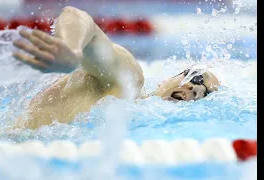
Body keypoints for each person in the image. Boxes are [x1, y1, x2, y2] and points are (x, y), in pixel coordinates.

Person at [12, 6, 220, 129]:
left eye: (205, 94)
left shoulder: (130, 96)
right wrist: (70, 49)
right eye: (196, 77)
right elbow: (74, 15)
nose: (195, 90)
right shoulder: (125, 83)